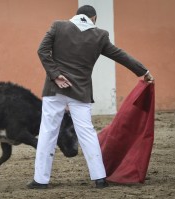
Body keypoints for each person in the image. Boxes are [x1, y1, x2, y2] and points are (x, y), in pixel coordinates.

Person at [27, 5, 154, 189]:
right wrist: (143, 71)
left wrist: (55, 74)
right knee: (87, 133)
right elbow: (120, 55)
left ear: (76, 16)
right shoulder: (99, 35)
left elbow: (42, 51)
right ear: (93, 18)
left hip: (54, 89)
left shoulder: (58, 26)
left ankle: (40, 180)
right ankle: (99, 178)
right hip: (80, 92)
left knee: (47, 132)